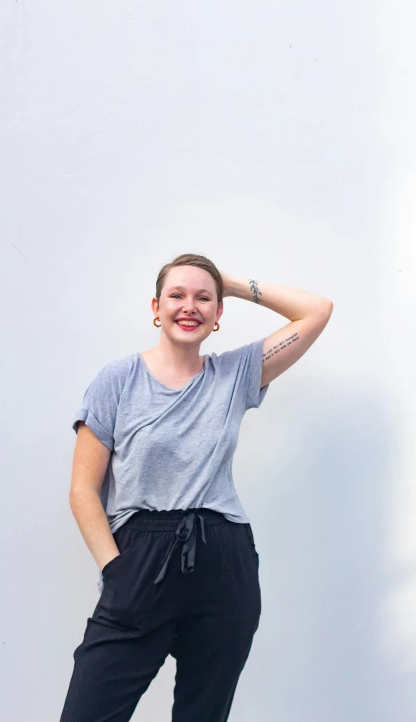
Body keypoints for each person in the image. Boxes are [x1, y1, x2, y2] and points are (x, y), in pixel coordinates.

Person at [60, 252, 333, 722]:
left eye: (204, 298)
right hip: (140, 559)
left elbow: (317, 310)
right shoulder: (117, 380)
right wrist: (117, 571)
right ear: (155, 307)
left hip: (222, 559)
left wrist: (224, 279)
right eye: (177, 295)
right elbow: (83, 489)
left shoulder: (234, 374)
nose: (190, 306)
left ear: (219, 313)